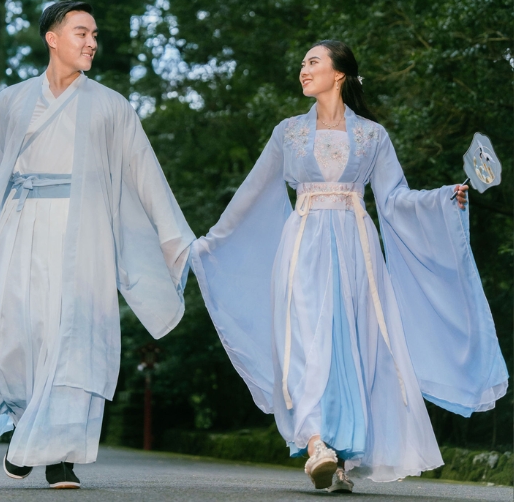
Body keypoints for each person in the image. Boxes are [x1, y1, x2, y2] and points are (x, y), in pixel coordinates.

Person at [189, 40, 508, 492]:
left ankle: (341, 459)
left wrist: (443, 197)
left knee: (352, 347)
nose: (303, 69)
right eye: (302, 62)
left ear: (338, 73)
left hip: (357, 248)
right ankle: (316, 443)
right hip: (301, 246)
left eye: (312, 62)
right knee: (304, 340)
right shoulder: (288, 133)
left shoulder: (373, 136)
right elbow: (250, 193)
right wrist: (210, 243)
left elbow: (395, 199)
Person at [0, 0, 195, 489]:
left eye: (95, 34)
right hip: (22, 227)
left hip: (84, 235)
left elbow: (144, 176)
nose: (92, 41)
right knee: (17, 335)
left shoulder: (113, 107)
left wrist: (176, 238)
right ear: (52, 37)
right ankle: (28, 431)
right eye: (81, 32)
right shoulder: (10, 102)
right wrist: (8, 209)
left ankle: (60, 457)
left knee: (73, 336)